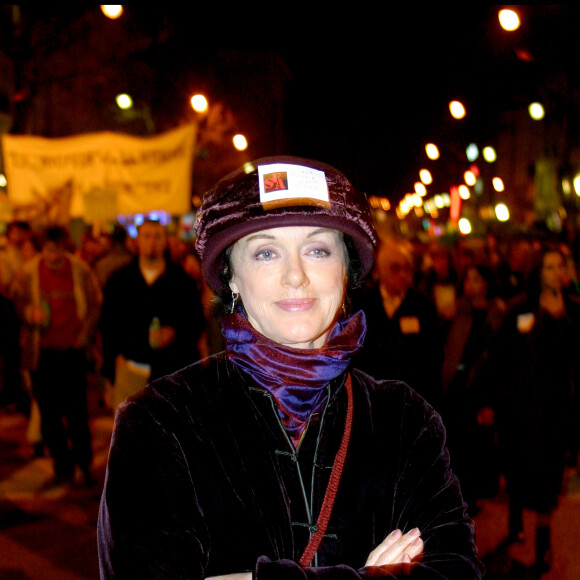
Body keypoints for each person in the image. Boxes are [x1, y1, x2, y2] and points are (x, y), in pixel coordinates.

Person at [98, 156, 483, 579]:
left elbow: (457, 571)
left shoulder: (404, 420)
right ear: (231, 278)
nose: (295, 275)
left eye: (318, 250)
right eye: (266, 253)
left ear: (346, 270)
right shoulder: (160, 423)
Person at [490, 245, 580, 573]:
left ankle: (544, 544)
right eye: (550, 266)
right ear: (538, 271)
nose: (557, 272)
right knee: (516, 468)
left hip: (555, 409)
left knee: (548, 478)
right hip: (520, 407)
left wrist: (559, 318)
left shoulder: (571, 309)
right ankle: (516, 524)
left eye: (561, 266)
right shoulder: (520, 309)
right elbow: (502, 358)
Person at [11, 225, 102, 487]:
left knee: (77, 414)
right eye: (49, 249)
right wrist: (29, 313)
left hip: (72, 352)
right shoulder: (29, 272)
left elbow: (95, 303)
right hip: (43, 353)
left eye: (58, 249)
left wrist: (84, 337)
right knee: (49, 415)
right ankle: (62, 465)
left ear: (65, 248)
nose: (53, 255)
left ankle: (83, 464)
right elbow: (15, 302)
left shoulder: (80, 270)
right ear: (43, 249)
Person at [99, 219, 206, 408]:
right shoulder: (119, 281)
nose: (152, 242)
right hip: (131, 370)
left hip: (173, 371)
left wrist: (174, 332)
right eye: (146, 236)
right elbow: (108, 325)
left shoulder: (182, 282)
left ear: (165, 241)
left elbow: (196, 322)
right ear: (137, 241)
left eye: (157, 236)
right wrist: (113, 362)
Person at [441, 264, 505, 514]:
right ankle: (460, 494)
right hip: (457, 385)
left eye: (476, 279)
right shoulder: (459, 311)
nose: (471, 285)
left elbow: (497, 358)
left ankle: (474, 494)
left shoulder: (496, 314)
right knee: (456, 441)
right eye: (467, 279)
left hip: (480, 387)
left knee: (477, 445)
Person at [353, 238, 444, 408]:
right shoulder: (363, 304)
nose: (402, 274)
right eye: (395, 268)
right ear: (380, 270)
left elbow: (433, 356)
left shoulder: (422, 305)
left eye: (407, 268)